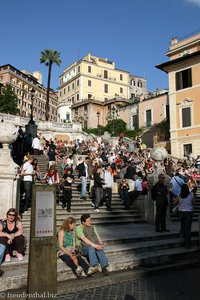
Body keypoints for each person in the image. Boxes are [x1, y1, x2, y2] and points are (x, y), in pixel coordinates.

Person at [174, 184, 195, 248]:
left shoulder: (180, 195)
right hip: (188, 212)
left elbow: (174, 203)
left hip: (181, 213)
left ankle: (182, 237)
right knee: (188, 228)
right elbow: (194, 203)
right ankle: (187, 244)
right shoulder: (191, 194)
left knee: (183, 225)